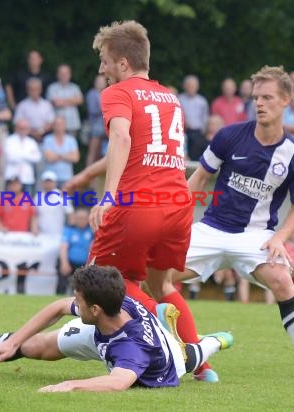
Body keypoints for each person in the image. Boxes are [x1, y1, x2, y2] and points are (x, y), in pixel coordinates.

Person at [67, 65, 294, 380]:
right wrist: (176, 216)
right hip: (211, 230)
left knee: (284, 282)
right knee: (155, 279)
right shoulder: (230, 136)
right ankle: (183, 353)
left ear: (285, 100)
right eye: (256, 97)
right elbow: (199, 177)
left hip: (255, 237)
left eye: (267, 97)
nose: (259, 103)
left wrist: (279, 238)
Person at [83, 20, 217, 381]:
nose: (102, 70)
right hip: (177, 203)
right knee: (163, 286)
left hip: (139, 203)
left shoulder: (118, 93)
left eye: (105, 61)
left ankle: (154, 326)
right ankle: (202, 367)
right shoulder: (169, 97)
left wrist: (107, 195)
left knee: (97, 282)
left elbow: (122, 140)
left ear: (123, 63)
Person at [0, 265, 233, 393]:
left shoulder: (132, 350)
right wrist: (16, 341)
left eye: (78, 297)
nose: (72, 301)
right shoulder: (106, 308)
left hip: (155, 358)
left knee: (188, 357)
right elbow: (57, 308)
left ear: (94, 308)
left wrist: (70, 385)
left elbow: (119, 382)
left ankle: (218, 340)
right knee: (35, 347)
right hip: (101, 334)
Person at [56, 208, 93, 295]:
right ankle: (59, 298)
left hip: (84, 264)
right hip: (70, 262)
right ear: (75, 218)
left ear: (88, 219)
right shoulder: (69, 230)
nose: (81, 220)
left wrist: (89, 265)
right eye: (79, 218)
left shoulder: (91, 231)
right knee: (62, 276)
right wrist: (64, 263)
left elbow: (92, 249)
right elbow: (63, 247)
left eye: (83, 218)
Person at [3, 119, 42, 193]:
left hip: (27, 178)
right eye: (21, 128)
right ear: (16, 128)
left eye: (25, 128)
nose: (22, 130)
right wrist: (28, 154)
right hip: (12, 177)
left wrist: (20, 154)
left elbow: (37, 158)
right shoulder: (9, 140)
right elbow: (10, 157)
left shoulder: (31, 142)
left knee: (26, 203)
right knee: (10, 203)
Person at [46, 64, 83, 137]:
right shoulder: (52, 88)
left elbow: (80, 100)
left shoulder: (75, 87)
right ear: (58, 75)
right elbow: (56, 103)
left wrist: (62, 101)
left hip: (72, 124)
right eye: (61, 73)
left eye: (66, 73)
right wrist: (72, 100)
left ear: (70, 75)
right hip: (56, 124)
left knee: (71, 145)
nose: (64, 75)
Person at [13, 78, 55, 142]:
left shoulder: (47, 105)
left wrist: (40, 132)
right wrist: (33, 133)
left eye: (36, 89)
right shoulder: (22, 105)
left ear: (40, 90)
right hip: (26, 137)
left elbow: (51, 122)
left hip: (45, 136)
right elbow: (17, 123)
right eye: (32, 89)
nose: (34, 92)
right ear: (27, 90)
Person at [41, 117, 80, 188]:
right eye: (57, 124)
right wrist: (67, 155)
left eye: (61, 124)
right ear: (53, 126)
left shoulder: (71, 140)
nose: (59, 126)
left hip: (67, 178)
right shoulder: (47, 139)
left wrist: (57, 155)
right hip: (51, 178)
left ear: (65, 125)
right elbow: (49, 158)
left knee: (66, 199)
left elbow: (75, 158)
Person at [178, 75, 209, 160]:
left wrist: (203, 132)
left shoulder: (202, 101)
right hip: (183, 131)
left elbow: (205, 118)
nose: (191, 88)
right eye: (189, 85)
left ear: (197, 87)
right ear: (184, 86)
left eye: (193, 86)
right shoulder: (179, 99)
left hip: (198, 132)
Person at [85, 74, 108, 167]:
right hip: (96, 127)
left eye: (102, 81)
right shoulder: (91, 94)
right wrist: (105, 108)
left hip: (105, 126)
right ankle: (88, 178)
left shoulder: (106, 93)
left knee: (100, 154)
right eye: (98, 82)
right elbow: (92, 110)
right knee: (92, 153)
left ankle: (97, 179)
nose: (100, 83)